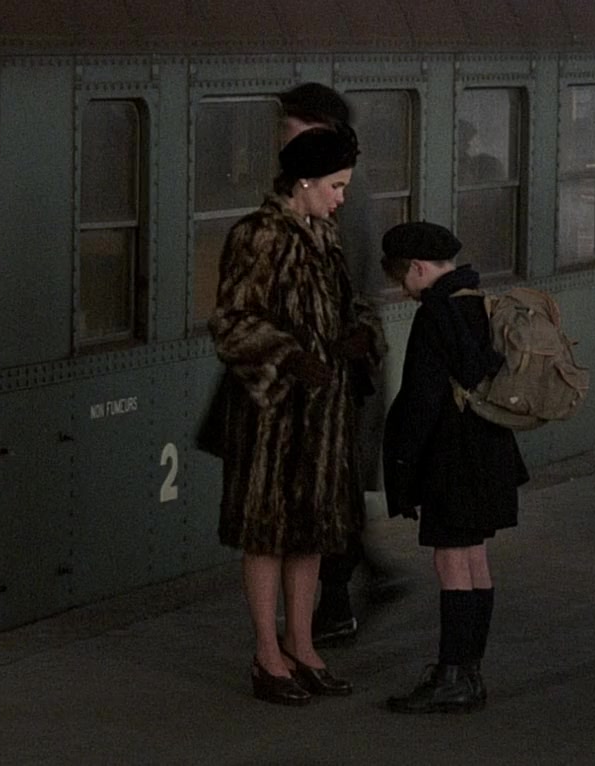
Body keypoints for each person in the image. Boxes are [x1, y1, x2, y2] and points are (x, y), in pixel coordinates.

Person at [210, 123, 383, 705]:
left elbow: (350, 303)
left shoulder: (322, 234)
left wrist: (360, 335)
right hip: (273, 418)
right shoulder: (258, 236)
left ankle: (302, 647)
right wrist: (290, 358)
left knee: (310, 532)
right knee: (267, 533)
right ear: (303, 182)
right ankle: (267, 655)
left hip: (322, 413)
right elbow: (232, 322)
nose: (341, 198)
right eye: (336, 186)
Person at [377, 222, 529, 714]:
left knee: (451, 562)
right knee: (475, 558)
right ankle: (470, 671)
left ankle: (452, 676)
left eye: (403, 280)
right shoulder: (478, 303)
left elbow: (421, 401)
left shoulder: (436, 314)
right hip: (491, 452)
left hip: (451, 460)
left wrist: (403, 468)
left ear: (419, 268)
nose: (405, 291)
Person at [278, 82, 385, 647]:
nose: (283, 135)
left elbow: (349, 288)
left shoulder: (341, 196)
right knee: (330, 488)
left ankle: (337, 602)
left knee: (331, 488)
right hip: (329, 363)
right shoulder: (321, 186)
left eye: (292, 126)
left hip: (337, 368)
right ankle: (353, 587)